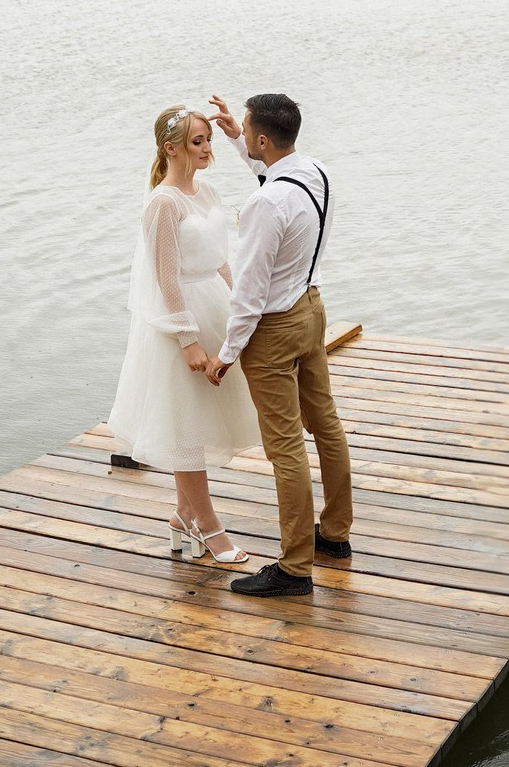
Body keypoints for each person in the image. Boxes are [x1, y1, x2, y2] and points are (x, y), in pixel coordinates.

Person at [202, 91, 355, 599]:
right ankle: (334, 537)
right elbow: (274, 176)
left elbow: (248, 293)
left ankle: (294, 569)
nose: (244, 136)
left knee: (286, 447)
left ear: (264, 138)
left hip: (273, 329)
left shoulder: (264, 205)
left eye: (246, 131)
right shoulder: (316, 172)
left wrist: (227, 353)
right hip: (311, 309)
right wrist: (233, 139)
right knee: (326, 424)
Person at [104, 105, 263, 564]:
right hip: (182, 317)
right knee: (187, 428)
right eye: (197, 142)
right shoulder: (163, 202)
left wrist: (242, 306)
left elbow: (221, 257)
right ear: (170, 148)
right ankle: (209, 528)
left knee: (205, 417)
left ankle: (182, 517)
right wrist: (187, 338)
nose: (207, 149)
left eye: (209, 141)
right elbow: (165, 276)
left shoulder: (208, 190)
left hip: (216, 306)